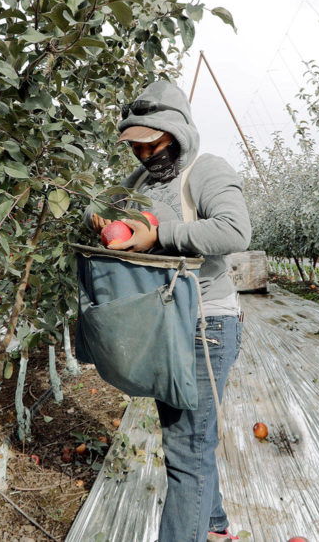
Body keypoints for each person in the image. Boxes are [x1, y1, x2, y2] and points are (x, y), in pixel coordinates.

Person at [86, 80, 251, 542]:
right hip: (164, 324)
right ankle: (214, 525)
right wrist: (98, 218)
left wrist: (160, 235)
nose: (142, 155)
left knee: (186, 451)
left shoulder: (205, 170)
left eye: (151, 143)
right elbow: (98, 207)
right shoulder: (136, 183)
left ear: (175, 132)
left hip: (205, 326)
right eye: (135, 147)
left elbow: (235, 232)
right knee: (190, 442)